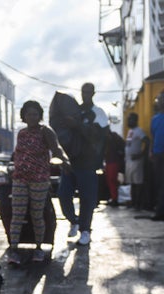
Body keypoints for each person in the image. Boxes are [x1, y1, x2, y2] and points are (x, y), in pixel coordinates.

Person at [7, 100, 70, 265]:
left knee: (37, 215)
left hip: (39, 180)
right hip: (20, 178)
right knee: (17, 215)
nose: (32, 117)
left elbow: (56, 148)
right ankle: (13, 250)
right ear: (24, 116)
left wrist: (65, 161)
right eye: (29, 114)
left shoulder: (46, 131)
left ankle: (39, 248)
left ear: (39, 116)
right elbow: (18, 154)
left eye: (35, 114)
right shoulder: (21, 133)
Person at [57, 82, 109, 245]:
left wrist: (77, 125)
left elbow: (98, 136)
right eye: (83, 91)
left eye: (88, 92)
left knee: (88, 199)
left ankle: (85, 230)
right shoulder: (74, 111)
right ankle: (74, 221)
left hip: (88, 163)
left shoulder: (98, 113)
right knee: (63, 195)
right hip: (70, 162)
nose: (85, 94)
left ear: (93, 93)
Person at [124, 112, 149, 210]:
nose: (128, 121)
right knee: (132, 183)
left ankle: (138, 204)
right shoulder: (130, 131)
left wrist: (141, 155)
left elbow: (147, 141)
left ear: (135, 120)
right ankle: (133, 203)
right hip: (129, 162)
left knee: (138, 183)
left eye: (130, 119)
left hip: (136, 161)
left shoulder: (139, 131)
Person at [150, 94, 164, 221]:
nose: (161, 101)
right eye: (160, 99)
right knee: (160, 183)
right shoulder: (154, 119)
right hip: (158, 154)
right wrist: (151, 152)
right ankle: (160, 210)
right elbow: (153, 137)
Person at [103, 129, 125, 207]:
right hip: (109, 161)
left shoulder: (112, 137)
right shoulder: (109, 137)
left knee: (112, 180)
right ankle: (113, 198)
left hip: (113, 161)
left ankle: (114, 199)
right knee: (110, 180)